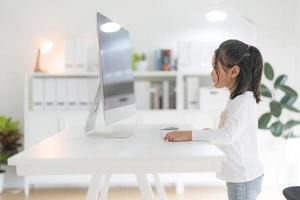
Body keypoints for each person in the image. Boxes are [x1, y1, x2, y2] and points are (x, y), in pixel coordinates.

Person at [164, 39, 264, 200]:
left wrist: (190, 134)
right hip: (241, 176)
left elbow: (228, 136)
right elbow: (232, 132)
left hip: (243, 177)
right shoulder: (238, 98)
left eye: (215, 67)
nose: (211, 73)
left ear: (234, 71)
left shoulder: (243, 101)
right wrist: (212, 133)